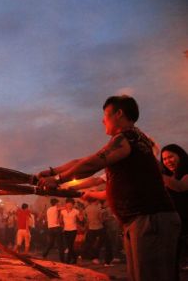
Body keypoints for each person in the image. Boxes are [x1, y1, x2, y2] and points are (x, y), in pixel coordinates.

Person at [36, 95, 180, 281]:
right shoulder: (132, 140)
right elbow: (85, 161)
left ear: (119, 114)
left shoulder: (126, 138)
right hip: (143, 221)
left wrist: (57, 179)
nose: (102, 120)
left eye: (105, 115)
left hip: (150, 220)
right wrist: (51, 171)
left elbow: (92, 163)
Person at [161, 144, 188, 272]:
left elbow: (181, 186)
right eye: (164, 159)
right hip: (176, 225)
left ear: (180, 155)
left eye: (170, 157)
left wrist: (157, 173)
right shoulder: (169, 176)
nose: (167, 161)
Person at [60, 198, 84, 264]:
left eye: (71, 204)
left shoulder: (76, 211)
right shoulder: (63, 211)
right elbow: (60, 220)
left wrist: (80, 211)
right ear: (66, 204)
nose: (69, 205)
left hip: (73, 230)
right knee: (68, 245)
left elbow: (81, 219)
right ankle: (74, 258)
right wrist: (62, 227)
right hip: (66, 230)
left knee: (70, 245)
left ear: (73, 205)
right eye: (68, 204)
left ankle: (68, 260)